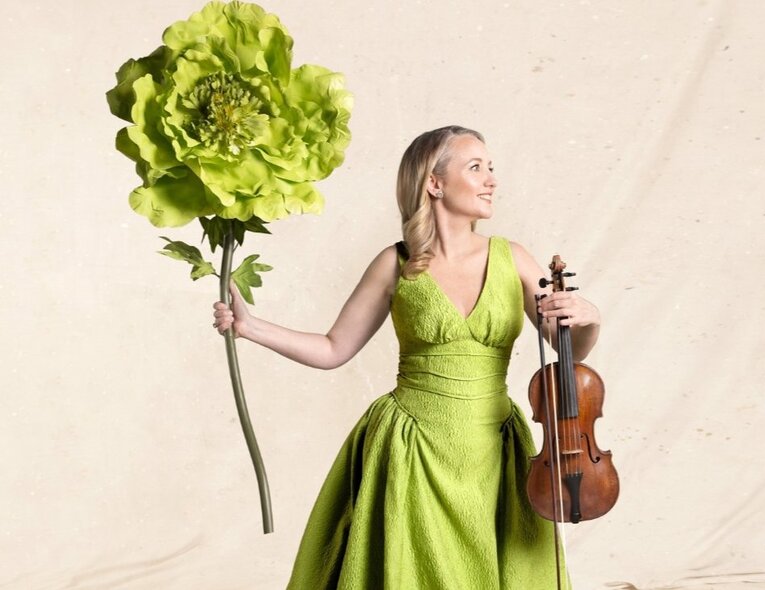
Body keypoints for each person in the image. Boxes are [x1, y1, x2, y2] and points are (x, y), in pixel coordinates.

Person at [212, 125, 600, 589]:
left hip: (494, 450)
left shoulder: (513, 258)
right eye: (475, 167)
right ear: (434, 183)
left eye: (490, 168)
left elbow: (567, 351)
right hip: (412, 448)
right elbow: (334, 348)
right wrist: (251, 328)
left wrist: (589, 318)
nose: (491, 180)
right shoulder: (394, 263)